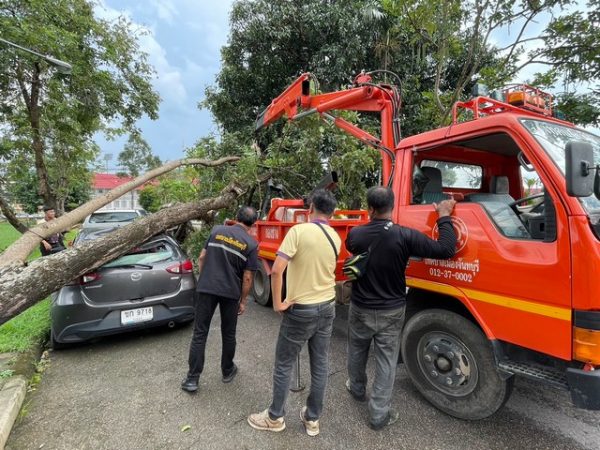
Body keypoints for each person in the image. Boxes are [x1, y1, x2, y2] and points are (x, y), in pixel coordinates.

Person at [345, 186, 456, 430]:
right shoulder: (406, 236)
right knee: (385, 360)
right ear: (393, 207)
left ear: (370, 209)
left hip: (360, 307)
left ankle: (356, 388)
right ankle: (378, 415)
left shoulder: (355, 234)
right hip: (391, 311)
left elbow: (354, 251)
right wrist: (444, 217)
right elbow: (446, 249)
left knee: (356, 349)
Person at [247, 189, 341, 437]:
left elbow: (277, 270)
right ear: (332, 213)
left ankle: (275, 417)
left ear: (310, 210)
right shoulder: (335, 236)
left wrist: (278, 303)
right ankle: (312, 419)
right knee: (320, 365)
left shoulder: (298, 231)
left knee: (284, 364)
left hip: (302, 310)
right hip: (328, 307)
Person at [181, 206, 259, 392]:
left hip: (206, 287)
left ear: (236, 217)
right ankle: (227, 370)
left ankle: (192, 379)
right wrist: (243, 300)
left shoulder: (217, 231)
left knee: (200, 333)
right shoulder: (251, 244)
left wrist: (205, 277)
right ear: (252, 224)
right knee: (228, 333)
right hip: (230, 292)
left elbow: (202, 257)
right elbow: (248, 277)